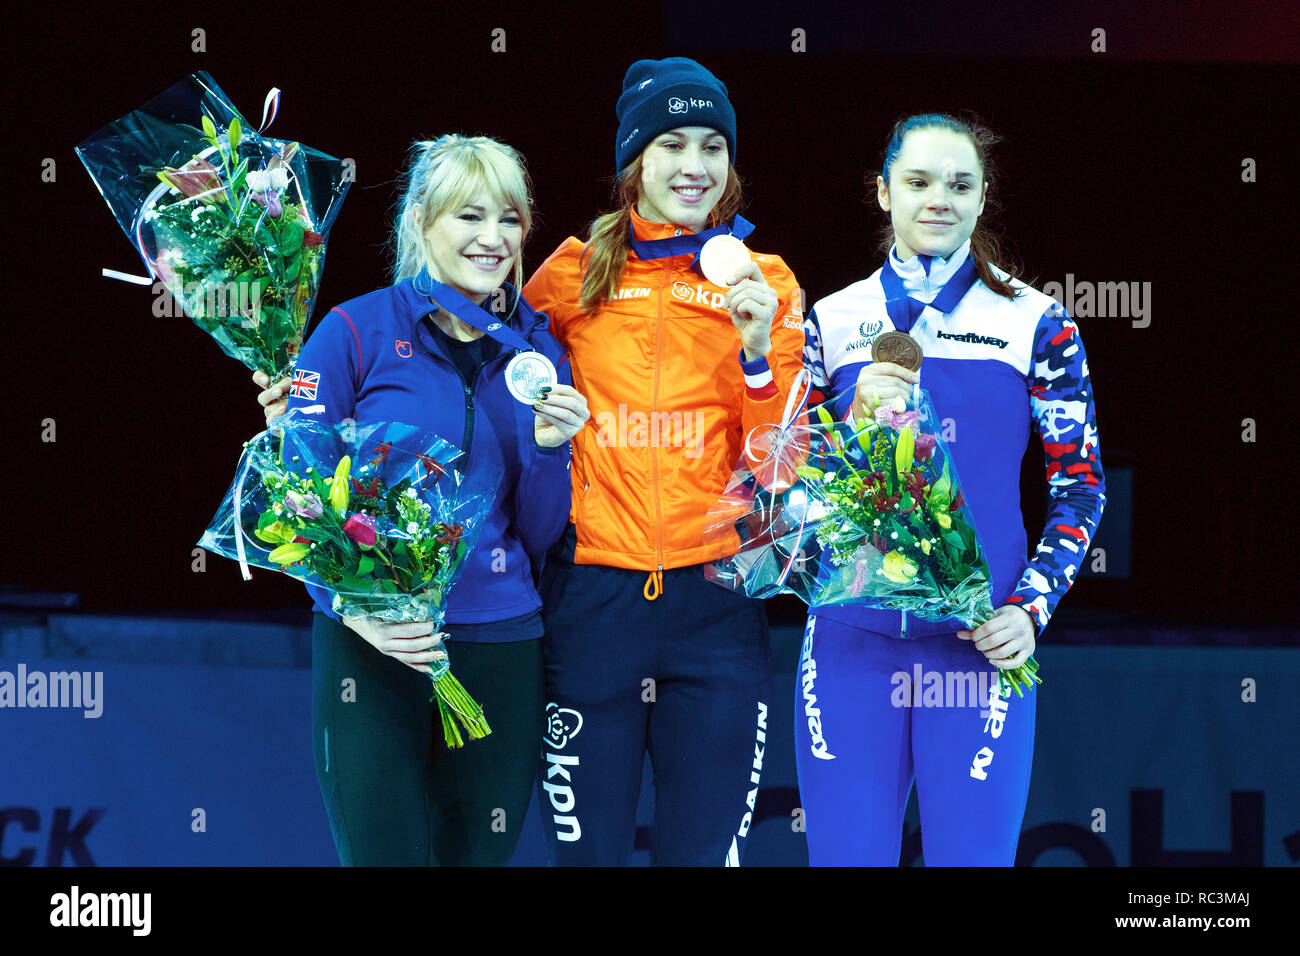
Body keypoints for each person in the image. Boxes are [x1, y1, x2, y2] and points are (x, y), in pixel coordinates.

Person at [254, 134, 589, 866]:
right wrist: (355, 609)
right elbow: (297, 502)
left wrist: (545, 447)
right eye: (470, 217)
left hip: (500, 646)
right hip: (371, 654)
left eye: (508, 219)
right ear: (419, 221)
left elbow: (537, 535)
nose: (492, 239)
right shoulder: (352, 332)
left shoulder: (536, 349)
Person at [797, 113, 1106, 865]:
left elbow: (1080, 487)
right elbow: (789, 490)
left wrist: (1030, 609)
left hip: (980, 648)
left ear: (982, 196)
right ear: (883, 194)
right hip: (851, 642)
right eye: (919, 181)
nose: (939, 198)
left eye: (960, 184)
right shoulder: (832, 319)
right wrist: (846, 422)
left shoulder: (1038, 321)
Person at [521, 57, 806, 866]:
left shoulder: (768, 283)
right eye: (671, 143)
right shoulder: (567, 280)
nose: (694, 166)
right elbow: (498, 397)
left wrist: (756, 356)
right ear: (632, 163)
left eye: (713, 145)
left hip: (717, 607)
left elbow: (782, 469)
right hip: (591, 606)